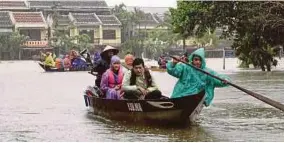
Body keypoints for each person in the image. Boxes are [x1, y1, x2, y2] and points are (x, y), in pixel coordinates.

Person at [166, 48, 230, 106]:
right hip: (180, 96)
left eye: (200, 60)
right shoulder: (185, 67)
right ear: (192, 60)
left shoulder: (207, 72)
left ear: (202, 61)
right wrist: (174, 64)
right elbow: (174, 71)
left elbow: (217, 77)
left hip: (195, 98)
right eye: (196, 60)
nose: (198, 62)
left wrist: (224, 80)